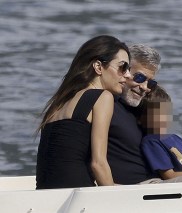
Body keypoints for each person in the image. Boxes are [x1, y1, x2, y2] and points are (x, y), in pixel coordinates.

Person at [35, 35, 131, 189]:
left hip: (45, 194)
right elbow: (98, 163)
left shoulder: (58, 103)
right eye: (122, 67)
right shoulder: (102, 97)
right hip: (77, 194)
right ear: (98, 67)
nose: (128, 75)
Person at [107, 44, 162, 184]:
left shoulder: (142, 113)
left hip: (159, 184)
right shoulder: (105, 104)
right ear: (124, 71)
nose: (144, 87)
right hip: (141, 189)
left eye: (151, 84)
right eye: (139, 78)